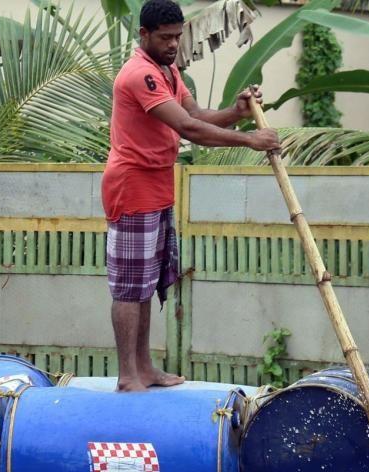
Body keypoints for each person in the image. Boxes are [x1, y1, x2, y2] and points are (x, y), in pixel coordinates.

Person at [102, 0, 280, 392]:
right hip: (131, 187)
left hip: (158, 186)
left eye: (178, 37)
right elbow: (189, 129)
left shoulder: (168, 71)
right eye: (165, 38)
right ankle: (128, 375)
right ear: (143, 35)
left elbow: (197, 114)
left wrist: (235, 112)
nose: (173, 45)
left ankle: (145, 368)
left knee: (147, 283)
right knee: (130, 286)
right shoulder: (139, 75)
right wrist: (251, 139)